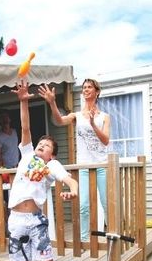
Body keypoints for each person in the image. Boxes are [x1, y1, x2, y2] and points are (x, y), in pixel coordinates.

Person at [8, 81, 78, 261]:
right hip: (15, 219)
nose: (41, 146)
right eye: (41, 143)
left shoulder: (52, 166)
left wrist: (73, 191)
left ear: (52, 155)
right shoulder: (26, 155)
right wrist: (23, 100)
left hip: (35, 220)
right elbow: (25, 126)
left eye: (47, 146)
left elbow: (69, 180)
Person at [39, 78, 110, 242]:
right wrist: (52, 103)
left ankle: (111, 239)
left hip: (101, 165)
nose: (86, 89)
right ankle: (85, 241)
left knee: (107, 204)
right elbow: (59, 121)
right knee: (84, 205)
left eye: (89, 87)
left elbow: (106, 140)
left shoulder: (105, 117)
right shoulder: (77, 115)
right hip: (83, 165)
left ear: (97, 92)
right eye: (84, 87)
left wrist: (93, 124)